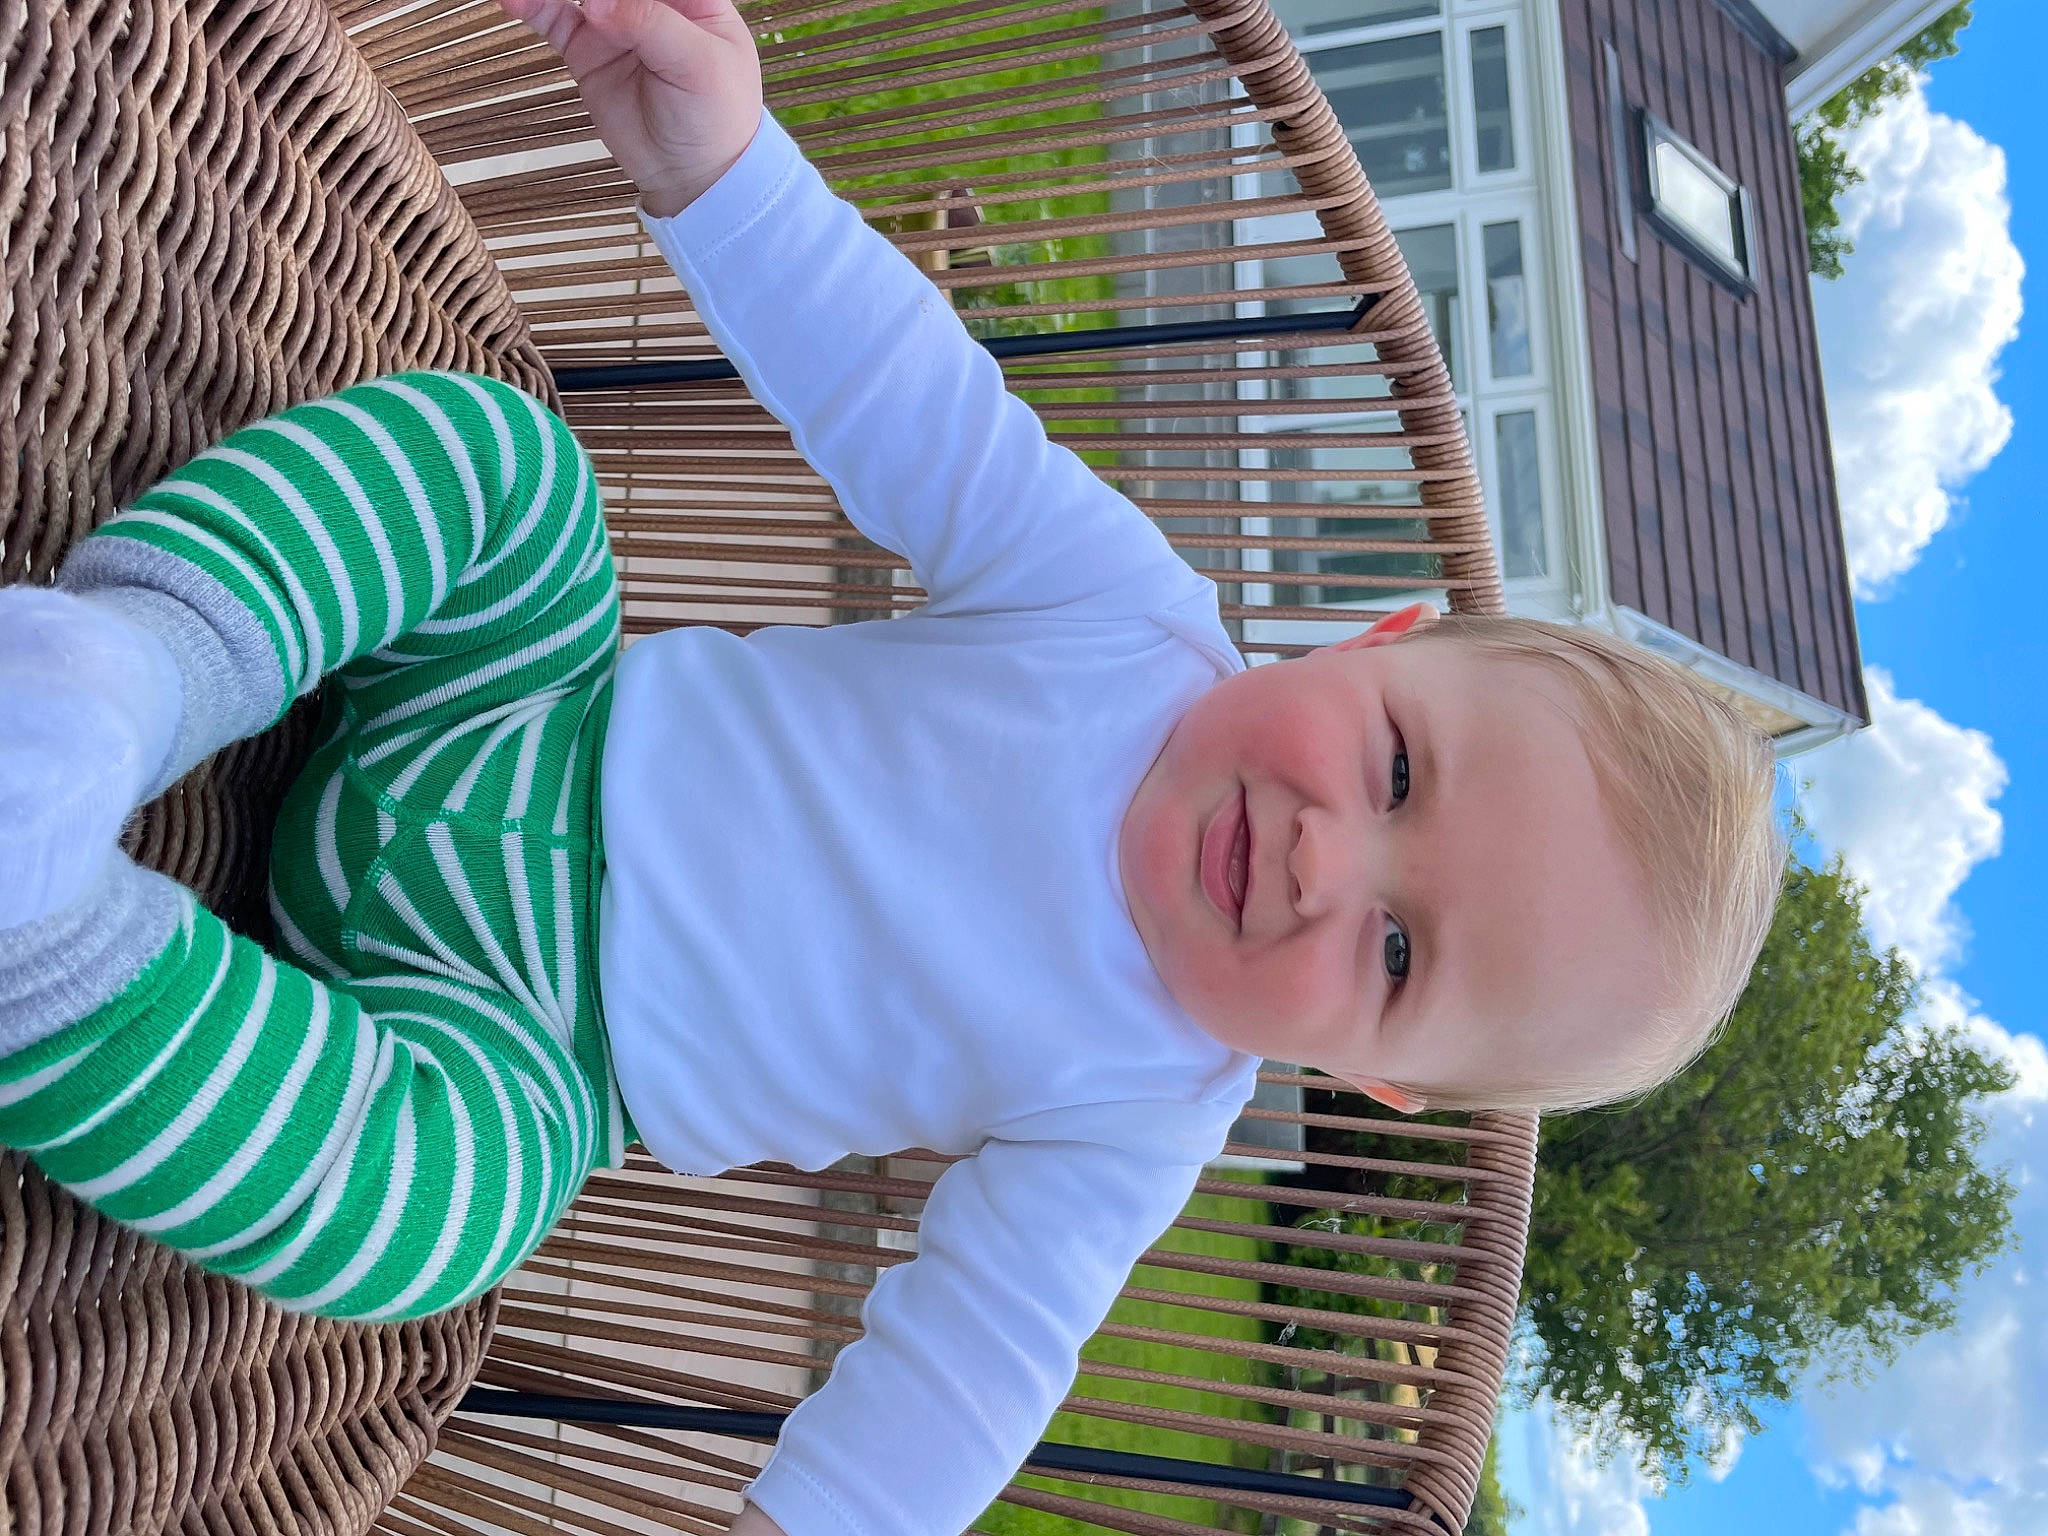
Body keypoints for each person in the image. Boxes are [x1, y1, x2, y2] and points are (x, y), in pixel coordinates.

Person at [0, 0, 1784, 1530]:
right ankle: (127, 675)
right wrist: (720, 159)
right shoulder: (1126, 617)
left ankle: (59, 941)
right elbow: (910, 399)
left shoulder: (1135, 1114)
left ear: (1371, 1084)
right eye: (1398, 773)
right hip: (523, 702)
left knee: (420, 1223)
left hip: (523, 1034)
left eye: (1398, 959)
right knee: (502, 470)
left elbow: (969, 1377)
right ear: (1373, 647)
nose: (1331, 863)